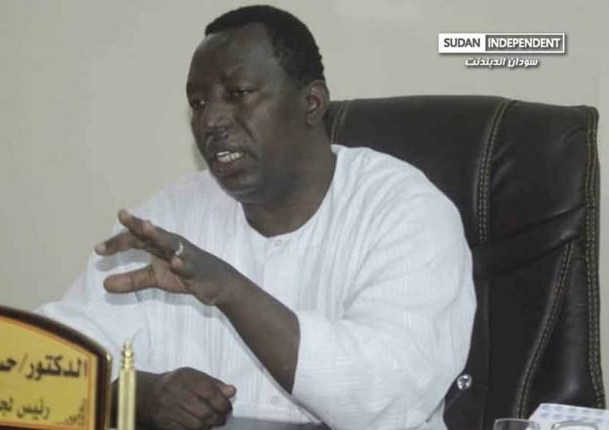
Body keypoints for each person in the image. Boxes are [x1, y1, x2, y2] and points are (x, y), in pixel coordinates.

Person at [38, 5, 476, 430]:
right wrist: (135, 394)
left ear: (312, 102)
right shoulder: (164, 220)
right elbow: (45, 364)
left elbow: (388, 397)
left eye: (239, 93)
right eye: (198, 102)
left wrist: (229, 290)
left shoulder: (404, 212)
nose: (210, 120)